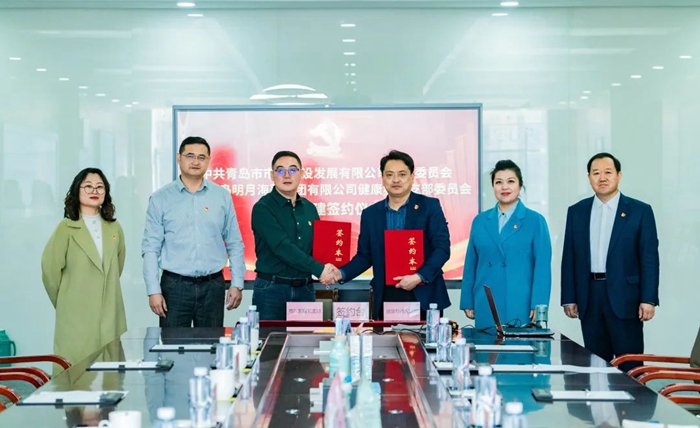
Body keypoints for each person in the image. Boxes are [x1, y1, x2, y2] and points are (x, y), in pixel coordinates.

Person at [561, 152, 659, 372]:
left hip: (627, 298)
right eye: (596, 173)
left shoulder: (640, 211)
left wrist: (648, 299)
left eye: (608, 172)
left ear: (619, 175)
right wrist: (569, 297)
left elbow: (649, 258)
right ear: (589, 177)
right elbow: (570, 257)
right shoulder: (577, 211)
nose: (602, 178)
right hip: (589, 295)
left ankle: (633, 397)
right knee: (595, 363)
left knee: (630, 364)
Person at [142, 136, 246, 327]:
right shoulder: (160, 198)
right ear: (178, 158)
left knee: (211, 343)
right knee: (173, 344)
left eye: (201, 157)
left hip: (213, 285)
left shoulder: (221, 196)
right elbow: (150, 248)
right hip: (174, 286)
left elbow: (234, 242)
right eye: (190, 156)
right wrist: (153, 290)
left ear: (208, 161)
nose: (196, 161)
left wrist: (237, 283)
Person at [340, 150, 451, 319]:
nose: (396, 180)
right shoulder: (371, 214)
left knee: (425, 338)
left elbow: (442, 248)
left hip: (424, 292)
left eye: (402, 174)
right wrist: (341, 273)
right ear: (382, 178)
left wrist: (419, 277)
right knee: (388, 336)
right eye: (390, 174)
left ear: (412, 177)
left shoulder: (429, 206)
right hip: (386, 294)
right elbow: (364, 256)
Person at [41, 168, 126, 365]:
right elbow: (50, 272)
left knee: (110, 372)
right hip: (76, 314)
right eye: (88, 186)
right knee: (76, 371)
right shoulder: (65, 228)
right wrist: (66, 301)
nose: (94, 191)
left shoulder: (115, 227)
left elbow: (118, 266)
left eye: (100, 187)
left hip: (110, 310)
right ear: (76, 191)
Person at [460, 160, 552, 330]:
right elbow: (471, 264)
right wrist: (467, 300)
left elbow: (542, 267)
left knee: (518, 345)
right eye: (498, 182)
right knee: (486, 345)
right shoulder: (480, 220)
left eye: (510, 181)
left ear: (520, 185)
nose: (504, 187)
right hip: (486, 300)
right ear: (493, 187)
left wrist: (539, 304)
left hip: (520, 301)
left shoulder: (535, 220)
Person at [250, 151, 340, 320]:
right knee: (270, 337)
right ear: (272, 175)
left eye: (292, 170)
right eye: (280, 170)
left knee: (305, 337)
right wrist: (320, 269)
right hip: (272, 290)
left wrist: (333, 268)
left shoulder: (309, 208)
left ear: (301, 174)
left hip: (305, 289)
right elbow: (281, 247)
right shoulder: (263, 208)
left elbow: (317, 247)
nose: (286, 175)